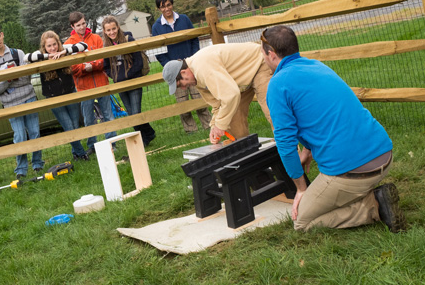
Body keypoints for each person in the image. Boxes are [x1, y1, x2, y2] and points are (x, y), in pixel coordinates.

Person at [261, 25, 405, 232]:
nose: (263, 60)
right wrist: (308, 150)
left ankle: (374, 206)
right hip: (384, 154)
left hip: (354, 172)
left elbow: (285, 144)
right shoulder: (318, 66)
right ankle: (364, 194)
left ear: (272, 54)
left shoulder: (277, 84)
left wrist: (301, 188)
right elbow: (322, 114)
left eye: (263, 55)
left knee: (302, 222)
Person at [161, 42, 272, 142]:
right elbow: (218, 104)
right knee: (231, 116)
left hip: (259, 63)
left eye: (180, 84)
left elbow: (231, 95)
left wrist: (220, 125)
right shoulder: (196, 79)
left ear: (184, 72)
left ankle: (286, 144)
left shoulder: (202, 68)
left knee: (271, 108)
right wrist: (214, 126)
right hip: (240, 81)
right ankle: (245, 149)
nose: (184, 89)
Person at [0, 25, 44, 178]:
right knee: (20, 137)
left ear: (2, 35)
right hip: (10, 104)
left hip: (28, 97)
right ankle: (21, 169)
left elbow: (26, 78)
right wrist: (8, 79)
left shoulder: (18, 53)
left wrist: (4, 81)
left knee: (35, 132)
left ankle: (37, 164)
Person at [151, 0, 211, 133]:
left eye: (168, 5)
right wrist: (170, 65)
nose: (166, 9)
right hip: (175, 70)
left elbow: (194, 39)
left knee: (199, 96)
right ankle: (190, 129)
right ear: (159, 9)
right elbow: (159, 52)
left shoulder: (184, 19)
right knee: (182, 102)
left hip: (191, 65)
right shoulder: (157, 27)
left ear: (172, 4)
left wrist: (193, 58)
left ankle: (208, 124)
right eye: (162, 7)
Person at [25, 31, 89, 161]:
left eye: (54, 44)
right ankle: (82, 153)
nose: (53, 48)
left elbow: (84, 45)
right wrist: (46, 56)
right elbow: (26, 58)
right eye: (49, 46)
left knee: (75, 125)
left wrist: (64, 52)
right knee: (68, 126)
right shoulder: (39, 55)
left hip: (70, 92)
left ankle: (76, 153)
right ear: (44, 47)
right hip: (54, 98)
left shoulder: (64, 49)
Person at [64, 11, 116, 155]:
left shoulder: (96, 38)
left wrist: (92, 66)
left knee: (108, 114)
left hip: (101, 82)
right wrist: (83, 68)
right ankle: (93, 145)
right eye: (78, 25)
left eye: (83, 23)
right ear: (72, 26)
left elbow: (102, 59)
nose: (82, 27)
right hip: (83, 87)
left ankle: (111, 142)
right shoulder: (68, 44)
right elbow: (73, 67)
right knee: (88, 118)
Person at [101, 16, 156, 147]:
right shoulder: (106, 46)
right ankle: (149, 133)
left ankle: (143, 139)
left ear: (118, 27)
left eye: (114, 28)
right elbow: (106, 66)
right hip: (120, 85)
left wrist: (127, 75)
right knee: (131, 114)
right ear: (104, 31)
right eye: (108, 30)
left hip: (133, 82)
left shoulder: (128, 39)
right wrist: (114, 76)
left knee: (136, 112)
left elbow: (138, 62)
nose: (112, 32)